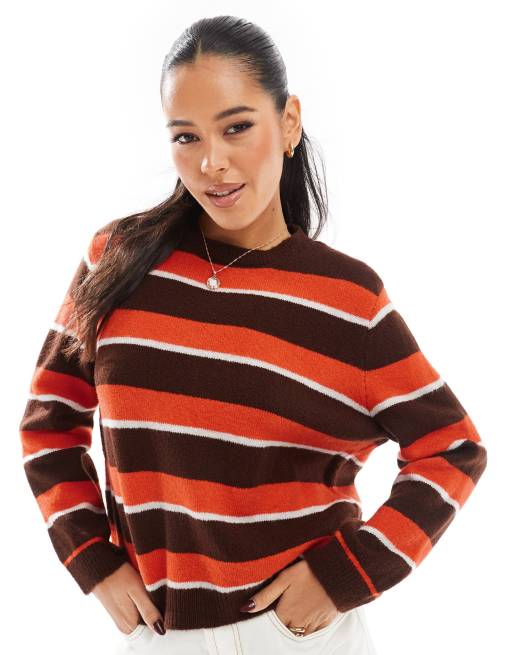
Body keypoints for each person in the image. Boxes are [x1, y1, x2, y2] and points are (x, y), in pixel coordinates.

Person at [18, 14, 487, 655]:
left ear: (288, 122)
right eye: (186, 136)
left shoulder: (347, 299)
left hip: (298, 636)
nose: (212, 162)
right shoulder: (116, 261)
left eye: (237, 127)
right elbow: (48, 425)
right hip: (161, 635)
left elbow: (453, 448)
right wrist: (92, 560)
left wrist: (344, 576)